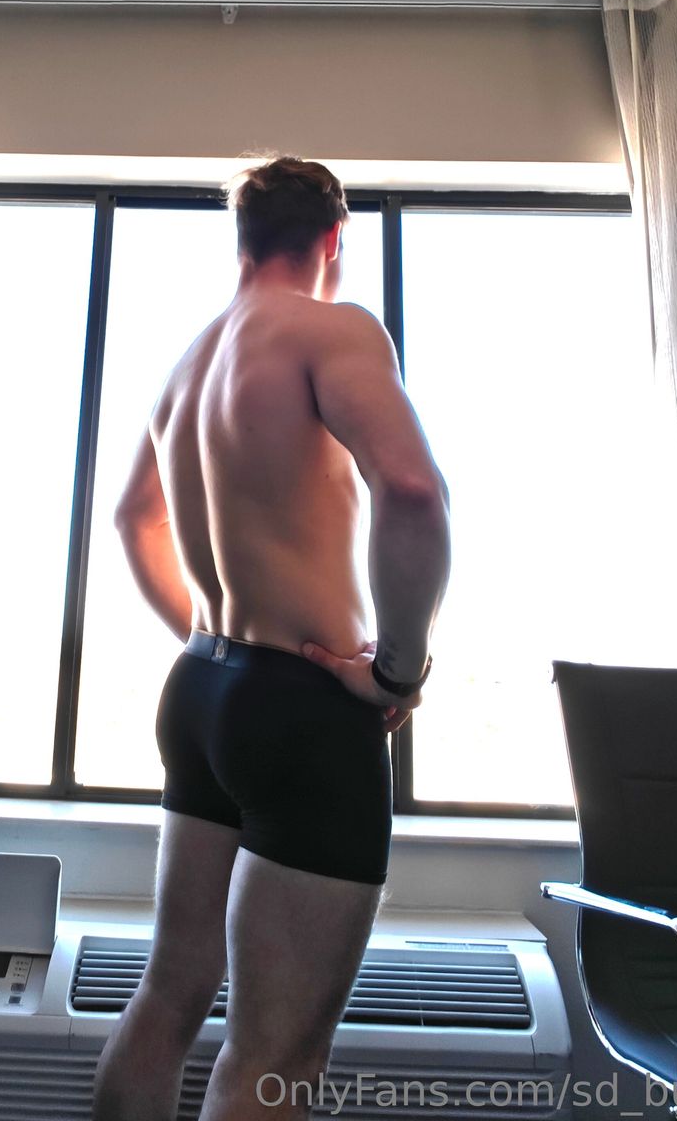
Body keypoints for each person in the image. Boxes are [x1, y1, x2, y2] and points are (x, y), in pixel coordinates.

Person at [91, 155, 452, 1120]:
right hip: (302, 709)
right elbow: (412, 491)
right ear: (333, 240)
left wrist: (212, 639)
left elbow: (132, 519)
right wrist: (396, 671)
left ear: (243, 241)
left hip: (202, 691)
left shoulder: (188, 363)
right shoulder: (333, 331)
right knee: (275, 1052)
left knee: (167, 995)